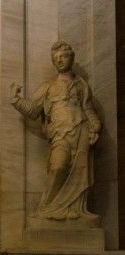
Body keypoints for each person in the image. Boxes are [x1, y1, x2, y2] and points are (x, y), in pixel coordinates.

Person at [10, 41, 101, 221]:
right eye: (56, 58)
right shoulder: (48, 86)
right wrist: (15, 99)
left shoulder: (81, 84)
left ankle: (73, 209)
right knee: (58, 167)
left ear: (71, 58)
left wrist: (95, 127)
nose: (59, 60)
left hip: (81, 129)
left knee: (78, 172)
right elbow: (33, 110)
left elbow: (88, 109)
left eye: (63, 56)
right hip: (60, 133)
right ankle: (47, 208)